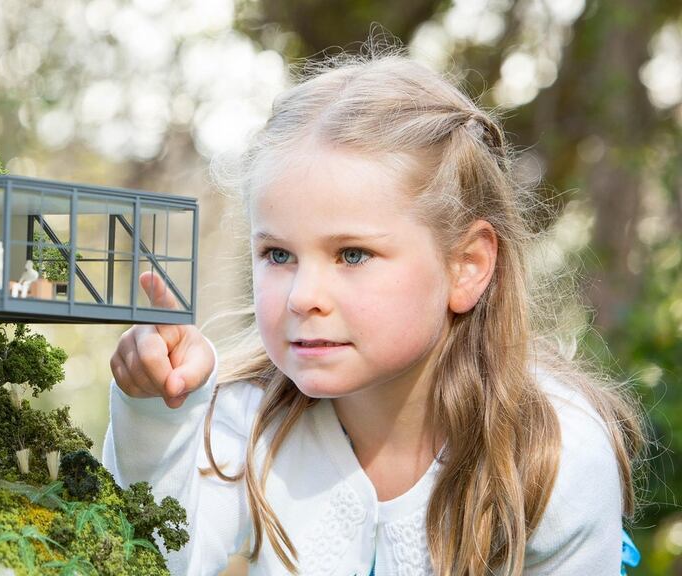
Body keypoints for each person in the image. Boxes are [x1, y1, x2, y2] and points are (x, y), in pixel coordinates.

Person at [104, 51, 646, 576]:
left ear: (467, 266)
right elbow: (149, 559)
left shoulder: (552, 453)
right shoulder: (247, 420)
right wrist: (157, 415)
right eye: (278, 255)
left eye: (352, 255)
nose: (302, 296)